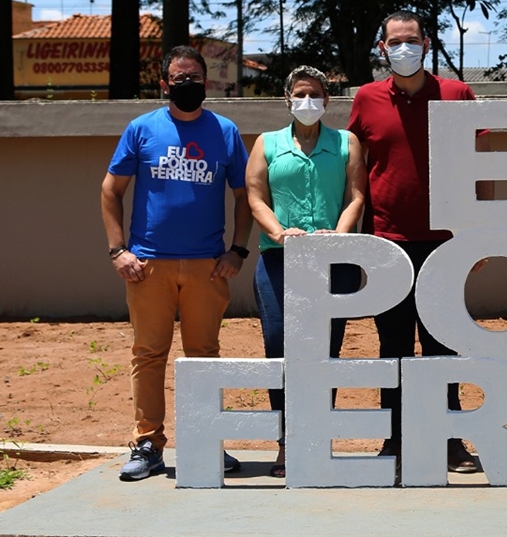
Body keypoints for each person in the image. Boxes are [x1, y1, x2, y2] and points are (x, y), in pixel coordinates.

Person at [348, 10, 493, 475]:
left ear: (427, 44)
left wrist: (478, 233)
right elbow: (354, 171)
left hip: (444, 243)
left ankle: (450, 441)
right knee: (392, 344)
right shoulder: (366, 99)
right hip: (386, 241)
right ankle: (395, 438)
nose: (404, 48)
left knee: (442, 345)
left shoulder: (457, 94)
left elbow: (482, 165)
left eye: (412, 39)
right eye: (395, 41)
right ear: (382, 48)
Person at [100, 45, 251, 481]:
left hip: (208, 266)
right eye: (180, 78)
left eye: (195, 78)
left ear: (207, 82)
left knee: (204, 356)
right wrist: (118, 250)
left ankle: (206, 440)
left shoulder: (225, 131)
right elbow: (111, 190)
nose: (188, 84)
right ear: (164, 84)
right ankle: (148, 444)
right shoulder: (142, 129)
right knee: (149, 354)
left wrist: (237, 250)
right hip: (148, 265)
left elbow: (244, 196)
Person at [246, 65, 366, 478]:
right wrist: (279, 233)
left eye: (315, 94)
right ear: (287, 99)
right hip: (279, 260)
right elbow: (256, 196)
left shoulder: (346, 142)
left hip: (332, 261)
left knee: (326, 351)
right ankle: (285, 443)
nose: (307, 101)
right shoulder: (267, 143)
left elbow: (356, 196)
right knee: (279, 349)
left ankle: (317, 439)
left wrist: (338, 235)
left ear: (327, 100)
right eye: (299, 94)